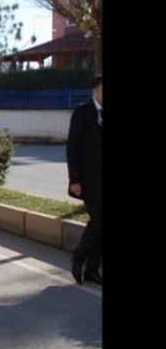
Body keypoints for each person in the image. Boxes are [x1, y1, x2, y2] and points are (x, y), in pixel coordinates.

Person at [66, 75, 102, 285]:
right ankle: (78, 257)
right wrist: (75, 179)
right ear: (96, 90)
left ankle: (92, 269)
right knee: (98, 220)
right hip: (88, 180)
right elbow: (73, 149)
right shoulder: (82, 113)